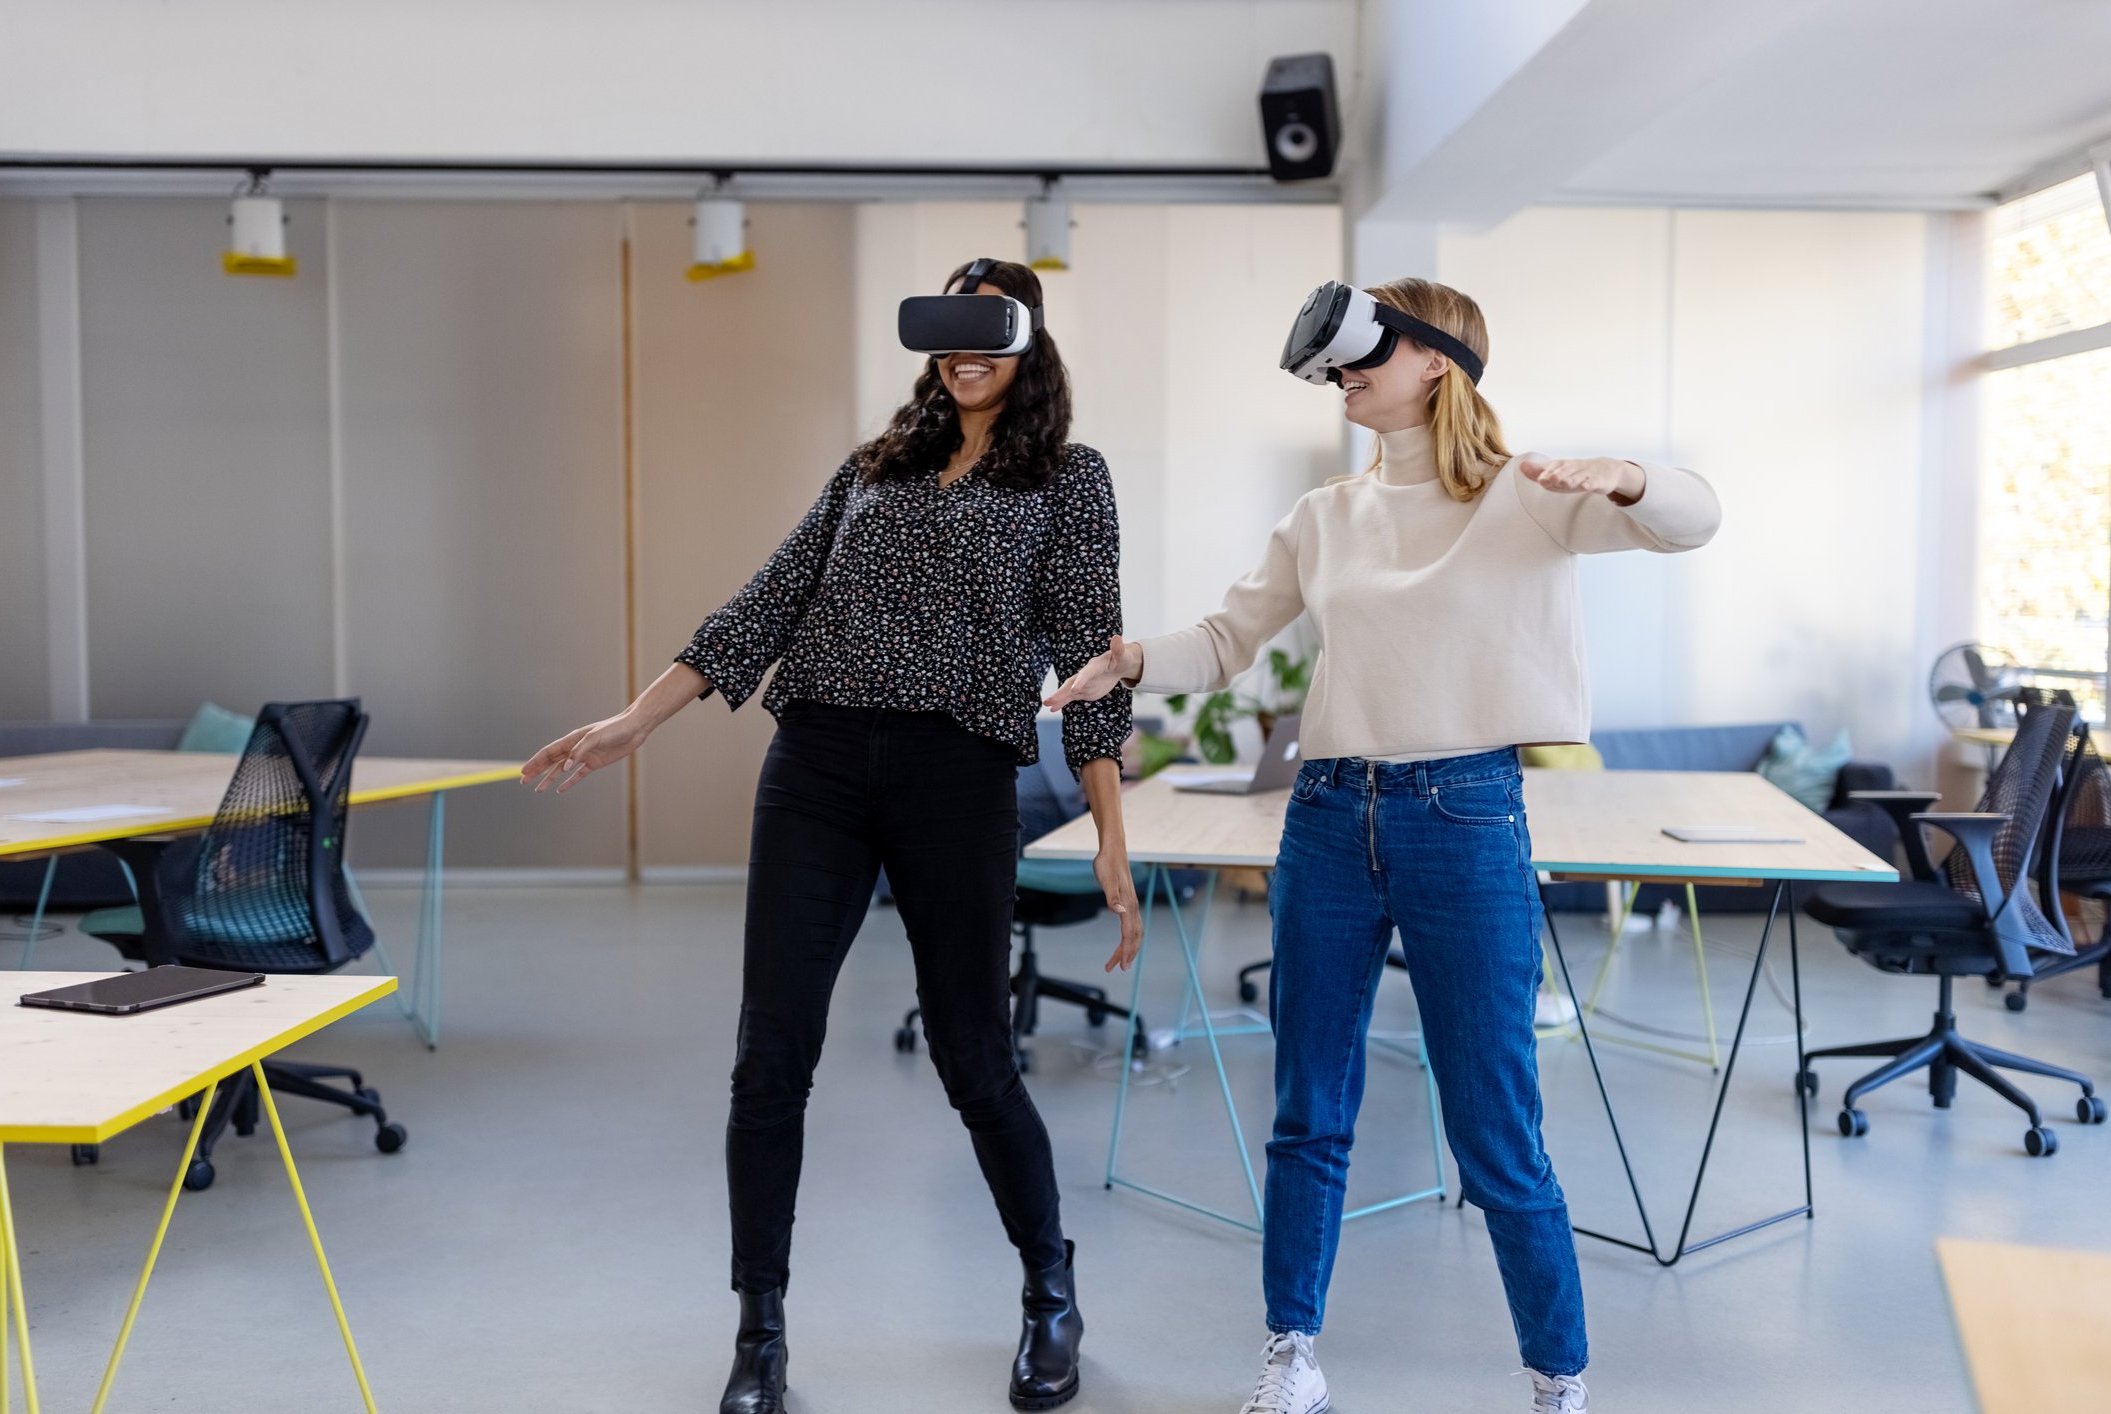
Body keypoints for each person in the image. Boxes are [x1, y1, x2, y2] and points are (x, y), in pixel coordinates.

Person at [1047, 276, 1721, 1414]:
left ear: (1437, 362)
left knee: (1494, 1124)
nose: (1346, 372)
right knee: (1309, 1105)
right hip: (1325, 820)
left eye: (1372, 350)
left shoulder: (1531, 496)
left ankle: (1556, 1375)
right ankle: (1291, 1353)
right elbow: (1224, 640)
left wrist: (1627, 474)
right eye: (1341, 360)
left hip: (1465, 819)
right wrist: (1126, 661)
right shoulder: (1324, 516)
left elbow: (1693, 517)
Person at [523, 258, 1141, 1414]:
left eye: (986, 329)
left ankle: (1047, 1292)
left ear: (1025, 341)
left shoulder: (1069, 478)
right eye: (947, 328)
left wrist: (1108, 833)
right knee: (768, 1059)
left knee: (972, 1054)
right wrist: (628, 724)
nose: (963, 353)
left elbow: (1092, 660)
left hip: (955, 775)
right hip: (814, 764)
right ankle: (759, 1332)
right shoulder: (874, 465)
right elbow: (765, 601)